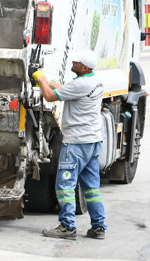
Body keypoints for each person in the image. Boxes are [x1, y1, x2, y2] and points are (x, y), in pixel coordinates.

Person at [33, 49, 107, 240]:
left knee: (65, 185)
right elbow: (65, 89)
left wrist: (40, 79)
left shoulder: (81, 84)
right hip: (92, 142)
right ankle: (98, 227)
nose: (72, 64)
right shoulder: (94, 81)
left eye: (75, 63)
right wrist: (47, 82)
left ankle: (67, 226)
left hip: (76, 143)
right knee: (91, 188)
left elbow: (50, 97)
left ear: (83, 67)